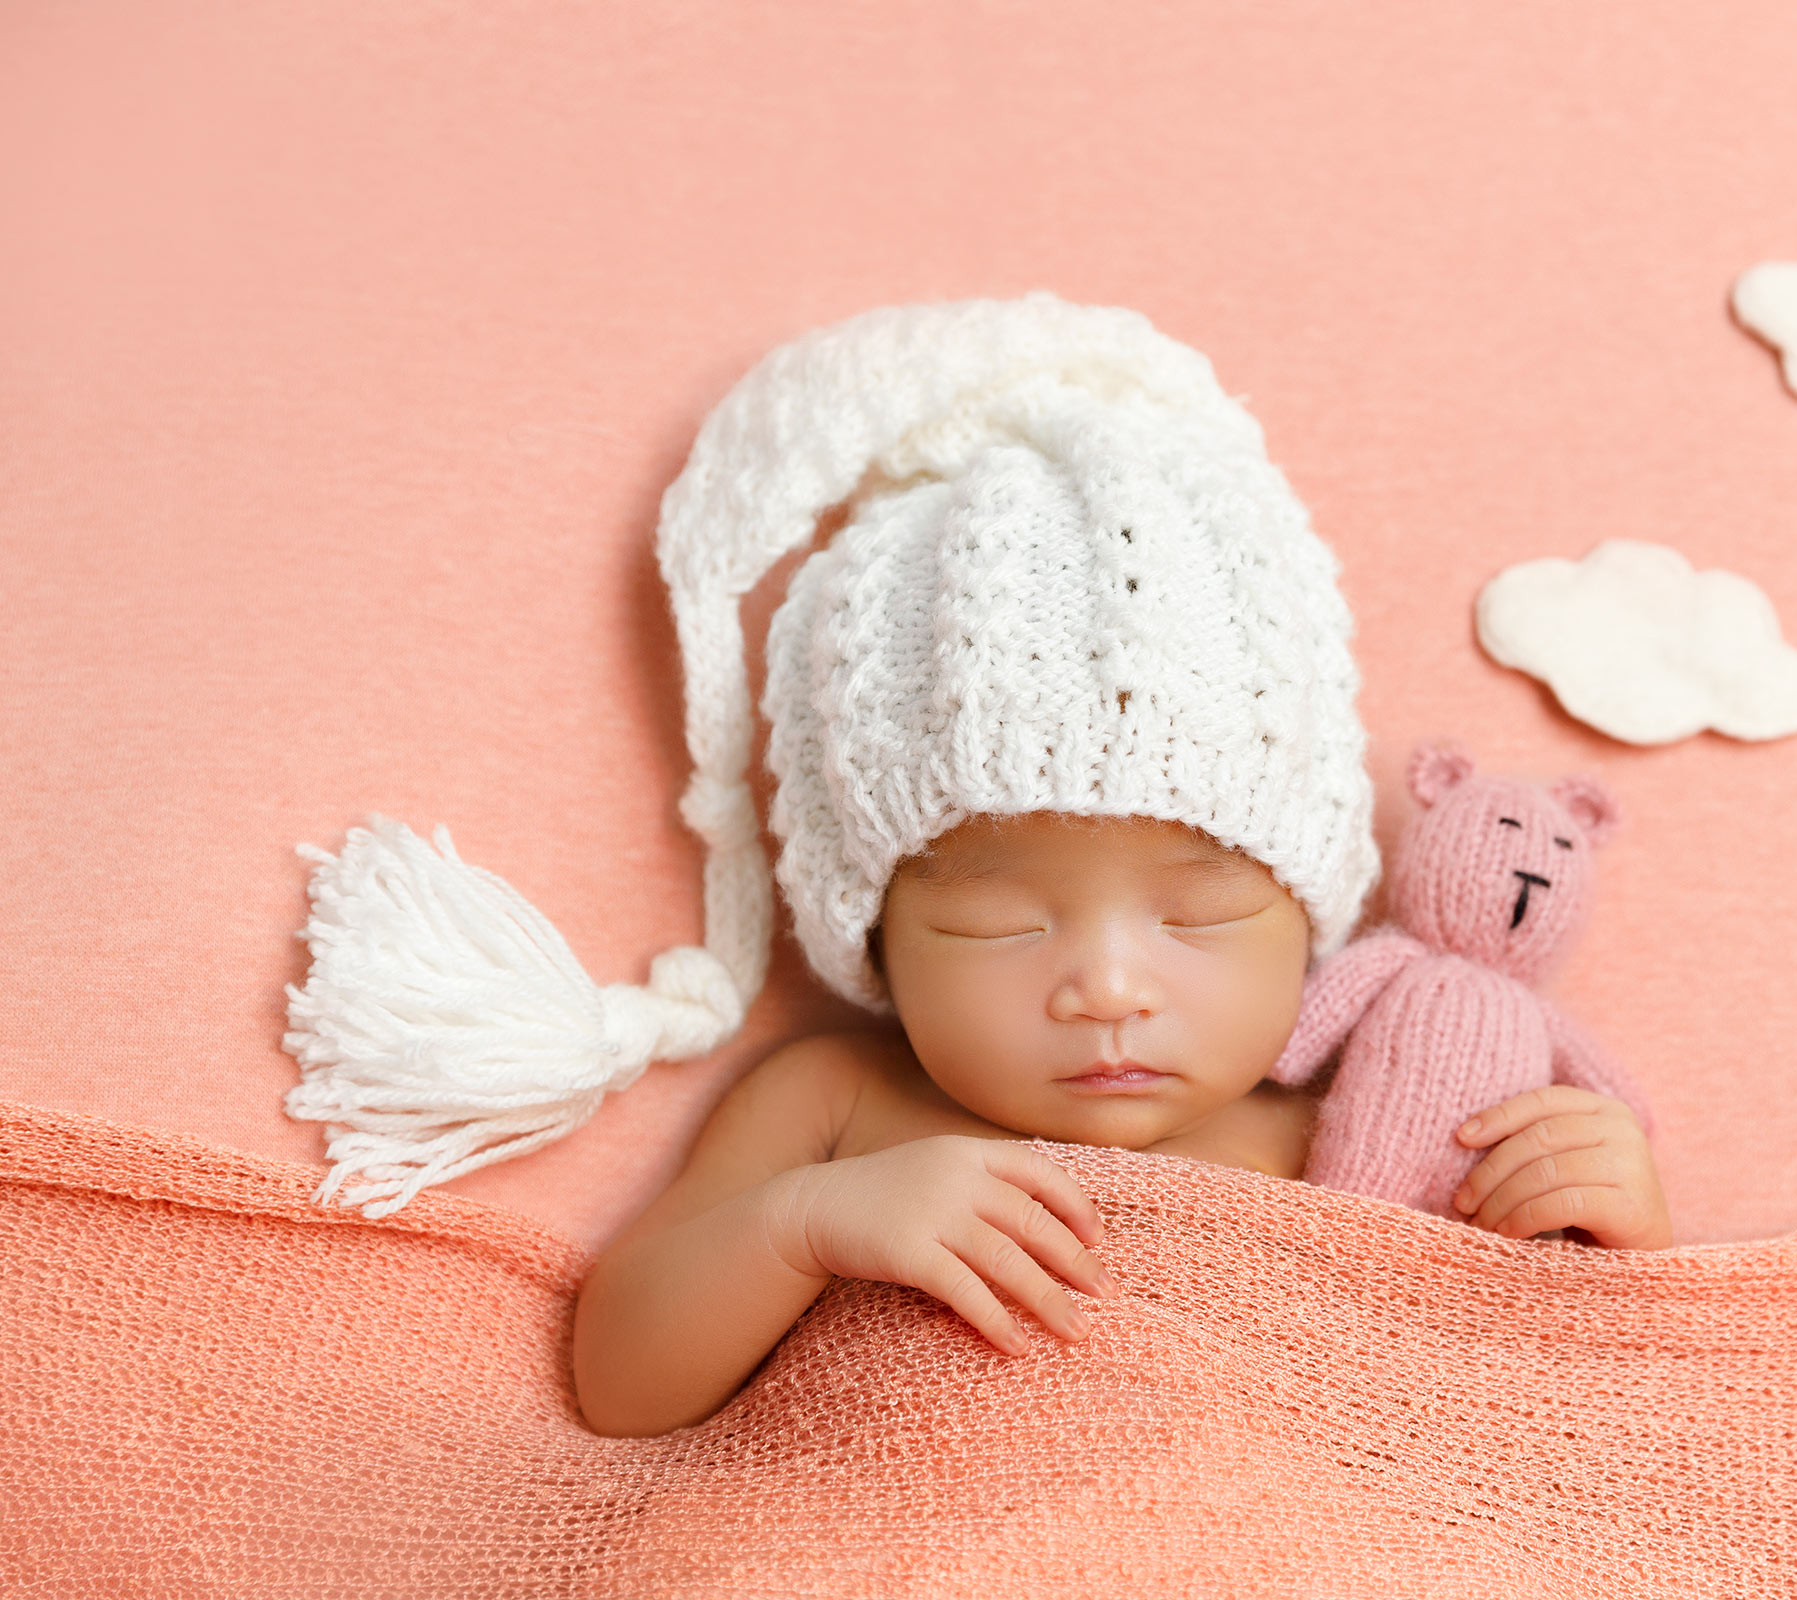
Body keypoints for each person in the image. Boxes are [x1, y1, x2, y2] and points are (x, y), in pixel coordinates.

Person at [276, 292, 1667, 1444]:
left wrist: (1621, 1235)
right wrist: (809, 1228)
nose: (1108, 985)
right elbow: (621, 1387)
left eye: (1201, 910)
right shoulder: (836, 1105)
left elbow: (1541, 1420)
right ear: (872, 937)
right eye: (1002, 923)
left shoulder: (1361, 1124)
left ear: (1315, 928)